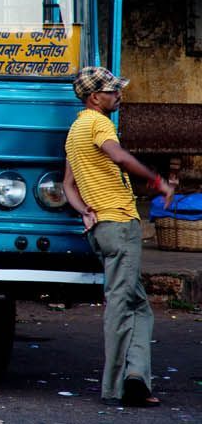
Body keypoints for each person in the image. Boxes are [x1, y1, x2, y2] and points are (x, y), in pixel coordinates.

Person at [62, 67, 176, 408]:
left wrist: (84, 209)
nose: (118, 95)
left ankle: (135, 376)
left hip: (100, 229)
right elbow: (120, 157)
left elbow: (68, 184)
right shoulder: (99, 124)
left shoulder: (74, 131)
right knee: (121, 305)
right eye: (112, 91)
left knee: (138, 305)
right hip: (120, 225)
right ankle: (116, 385)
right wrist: (158, 183)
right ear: (95, 98)